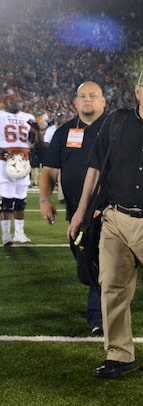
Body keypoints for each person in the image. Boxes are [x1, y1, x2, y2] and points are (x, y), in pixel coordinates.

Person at [69, 65, 143, 379]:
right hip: (115, 217)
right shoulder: (116, 122)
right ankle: (118, 354)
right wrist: (80, 212)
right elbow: (95, 167)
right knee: (113, 287)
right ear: (138, 92)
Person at [39, 81, 107, 333]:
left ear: (103, 101)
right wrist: (44, 199)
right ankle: (100, 313)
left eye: (93, 95)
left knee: (101, 263)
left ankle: (98, 316)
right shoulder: (64, 132)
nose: (87, 99)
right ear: (75, 102)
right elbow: (49, 170)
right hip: (76, 213)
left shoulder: (115, 129)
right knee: (87, 262)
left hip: (109, 211)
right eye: (82, 96)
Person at [1, 88, 36, 246]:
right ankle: (6, 235)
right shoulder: (0, 115)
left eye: (18, 100)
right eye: (12, 100)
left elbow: (33, 141)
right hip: (4, 161)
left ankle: (20, 233)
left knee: (21, 200)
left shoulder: (28, 117)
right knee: (7, 200)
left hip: (23, 161)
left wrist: (36, 131)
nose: (16, 103)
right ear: (5, 101)